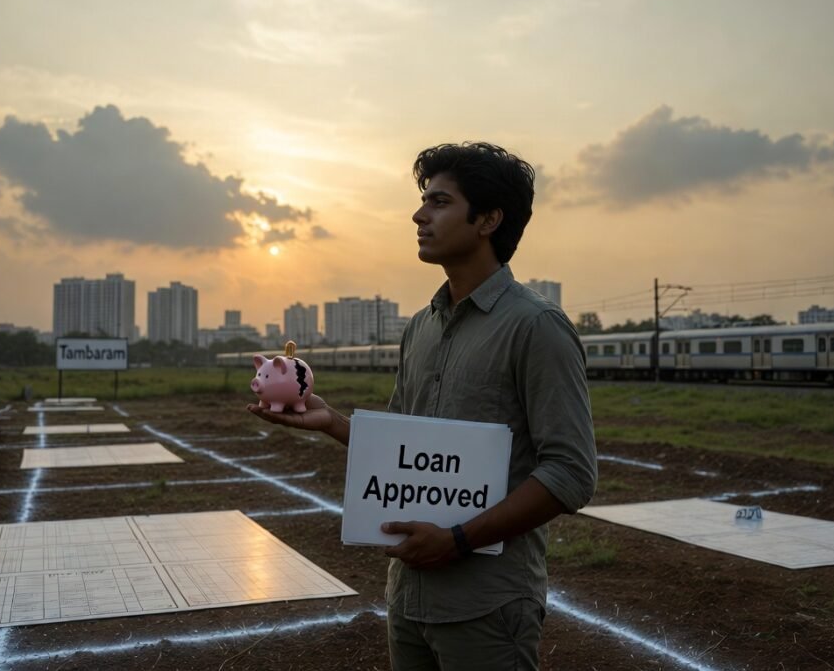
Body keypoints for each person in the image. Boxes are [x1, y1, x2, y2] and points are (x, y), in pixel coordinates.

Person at [248, 142, 598, 670]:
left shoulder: (535, 326)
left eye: (439, 202)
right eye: (424, 200)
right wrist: (332, 423)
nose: (419, 214)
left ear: (488, 219)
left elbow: (571, 473)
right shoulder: (421, 326)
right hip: (409, 597)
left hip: (488, 605)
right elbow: (405, 447)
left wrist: (457, 541)